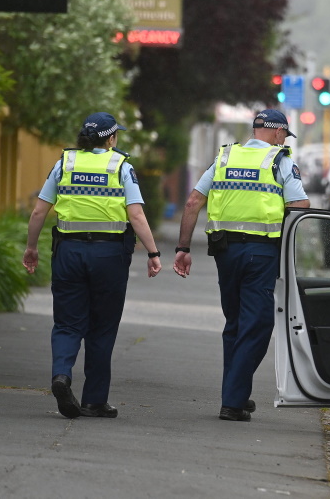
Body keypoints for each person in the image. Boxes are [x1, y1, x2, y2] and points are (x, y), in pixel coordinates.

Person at [23, 112, 162, 420]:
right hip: (108, 255)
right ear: (111, 138)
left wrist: (31, 248)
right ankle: (94, 401)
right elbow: (136, 216)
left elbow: (38, 212)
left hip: (68, 252)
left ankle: (62, 374)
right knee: (101, 327)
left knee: (67, 323)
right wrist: (153, 252)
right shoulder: (120, 167)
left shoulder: (64, 164)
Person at [173, 108, 309, 422]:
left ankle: (237, 392)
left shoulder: (224, 158)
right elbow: (299, 206)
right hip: (261, 253)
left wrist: (182, 247)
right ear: (278, 133)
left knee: (235, 322)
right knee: (258, 324)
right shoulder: (280, 161)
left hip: (225, 252)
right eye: (285, 135)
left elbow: (194, 201)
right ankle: (232, 401)